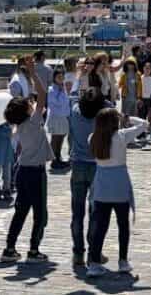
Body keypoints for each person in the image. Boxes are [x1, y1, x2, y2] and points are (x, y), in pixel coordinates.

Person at [1, 61, 53, 263]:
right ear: (27, 111)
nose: (32, 104)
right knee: (40, 214)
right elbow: (42, 94)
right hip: (35, 173)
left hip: (22, 172)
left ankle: (10, 248)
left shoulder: (19, 126)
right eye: (29, 104)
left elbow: (37, 98)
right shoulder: (33, 122)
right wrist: (33, 74)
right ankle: (33, 250)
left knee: (20, 211)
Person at [87, 108, 148, 278]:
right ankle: (123, 261)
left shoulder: (93, 138)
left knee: (100, 227)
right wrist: (127, 117)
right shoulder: (121, 136)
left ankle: (94, 263)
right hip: (120, 184)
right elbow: (145, 124)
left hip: (101, 186)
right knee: (123, 226)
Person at [67, 87, 108, 267]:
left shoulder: (76, 112)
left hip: (77, 164)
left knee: (77, 213)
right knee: (95, 212)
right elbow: (110, 105)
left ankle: (78, 253)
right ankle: (94, 252)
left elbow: (73, 97)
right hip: (97, 165)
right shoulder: (103, 117)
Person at [47, 68, 71, 168]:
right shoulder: (52, 90)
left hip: (63, 117)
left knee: (61, 138)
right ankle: (54, 160)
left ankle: (58, 157)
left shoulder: (63, 88)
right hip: (56, 117)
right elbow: (57, 103)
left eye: (62, 77)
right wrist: (62, 91)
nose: (61, 79)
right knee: (55, 139)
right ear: (54, 78)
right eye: (59, 77)